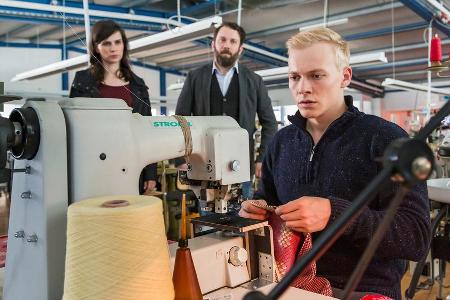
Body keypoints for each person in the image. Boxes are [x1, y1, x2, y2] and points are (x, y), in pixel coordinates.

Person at [239, 27, 431, 299]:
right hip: (290, 285)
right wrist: (256, 212)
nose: (303, 87)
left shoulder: (387, 139)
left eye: (316, 75)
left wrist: (337, 215)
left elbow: (416, 237)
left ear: (345, 76)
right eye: (294, 77)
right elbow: (266, 197)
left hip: (362, 290)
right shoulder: (281, 142)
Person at [175, 22, 277, 199]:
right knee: (208, 222)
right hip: (203, 166)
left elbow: (270, 123)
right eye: (222, 39)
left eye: (232, 41)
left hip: (241, 166)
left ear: (240, 48)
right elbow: (180, 120)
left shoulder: (254, 81)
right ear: (213, 44)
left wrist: (262, 158)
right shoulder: (195, 77)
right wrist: (180, 159)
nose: (226, 45)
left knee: (241, 218)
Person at [69, 19, 157, 194]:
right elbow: (72, 127)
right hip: (93, 165)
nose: (113, 48)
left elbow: (148, 130)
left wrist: (150, 173)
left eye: (118, 42)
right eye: (106, 43)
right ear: (96, 47)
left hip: (132, 164)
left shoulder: (138, 85)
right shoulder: (82, 81)